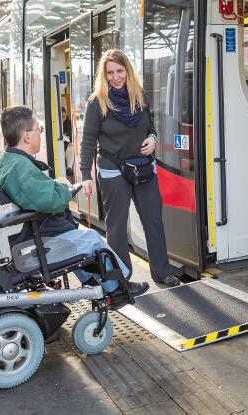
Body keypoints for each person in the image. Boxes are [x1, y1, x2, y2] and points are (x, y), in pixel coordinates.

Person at [0, 105, 149, 307]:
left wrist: (56, 185)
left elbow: (33, 194)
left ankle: (94, 283)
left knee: (78, 241)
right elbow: (53, 201)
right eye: (38, 129)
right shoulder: (21, 169)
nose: (40, 133)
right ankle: (118, 288)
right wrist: (69, 190)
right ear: (27, 136)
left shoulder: (7, 160)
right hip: (30, 246)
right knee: (92, 240)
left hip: (21, 239)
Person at [79, 49, 180, 287]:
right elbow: (88, 142)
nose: (115, 77)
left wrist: (153, 138)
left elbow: (150, 126)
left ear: (127, 71)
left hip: (143, 167)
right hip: (113, 169)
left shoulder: (139, 96)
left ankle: (161, 272)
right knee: (116, 227)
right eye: (110, 72)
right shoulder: (97, 103)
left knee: (153, 220)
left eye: (119, 71)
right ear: (103, 75)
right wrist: (86, 175)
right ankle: (122, 277)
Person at [61, 107, 74, 177]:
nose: (64, 118)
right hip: (59, 146)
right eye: (62, 117)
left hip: (66, 144)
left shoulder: (68, 124)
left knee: (71, 147)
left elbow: (70, 136)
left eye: (65, 116)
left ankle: (69, 167)